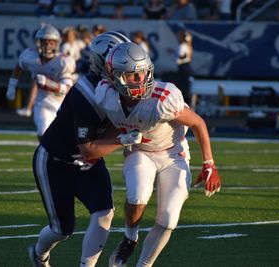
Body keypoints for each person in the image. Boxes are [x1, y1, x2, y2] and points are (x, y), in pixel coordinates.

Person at [92, 42, 221, 267]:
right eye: (134, 75)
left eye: (144, 72)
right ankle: (130, 237)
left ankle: (144, 264)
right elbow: (114, 122)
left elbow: (198, 123)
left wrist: (209, 163)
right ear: (116, 76)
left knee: (169, 218)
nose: (141, 79)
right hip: (140, 151)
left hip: (173, 155)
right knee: (137, 195)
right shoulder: (106, 94)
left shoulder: (163, 98)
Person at [28, 31, 132, 267]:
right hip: (56, 162)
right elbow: (89, 149)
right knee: (61, 229)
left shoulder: (121, 85)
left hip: (88, 165)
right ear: (103, 63)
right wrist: (124, 138)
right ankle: (38, 255)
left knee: (104, 212)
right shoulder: (86, 94)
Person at [6, 24, 76, 140]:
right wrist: (12, 85)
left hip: (63, 104)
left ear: (57, 44)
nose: (48, 45)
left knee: (69, 138)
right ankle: (45, 155)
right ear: (39, 43)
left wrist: (47, 83)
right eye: (45, 42)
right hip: (43, 103)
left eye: (51, 42)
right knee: (42, 133)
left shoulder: (63, 62)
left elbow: (67, 88)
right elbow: (19, 66)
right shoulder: (30, 56)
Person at [167, 30, 194, 103]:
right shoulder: (187, 46)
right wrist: (173, 52)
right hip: (186, 69)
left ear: (182, 38)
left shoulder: (182, 46)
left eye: (179, 36)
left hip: (184, 70)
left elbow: (179, 60)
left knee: (183, 91)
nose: (178, 38)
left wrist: (171, 53)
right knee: (185, 91)